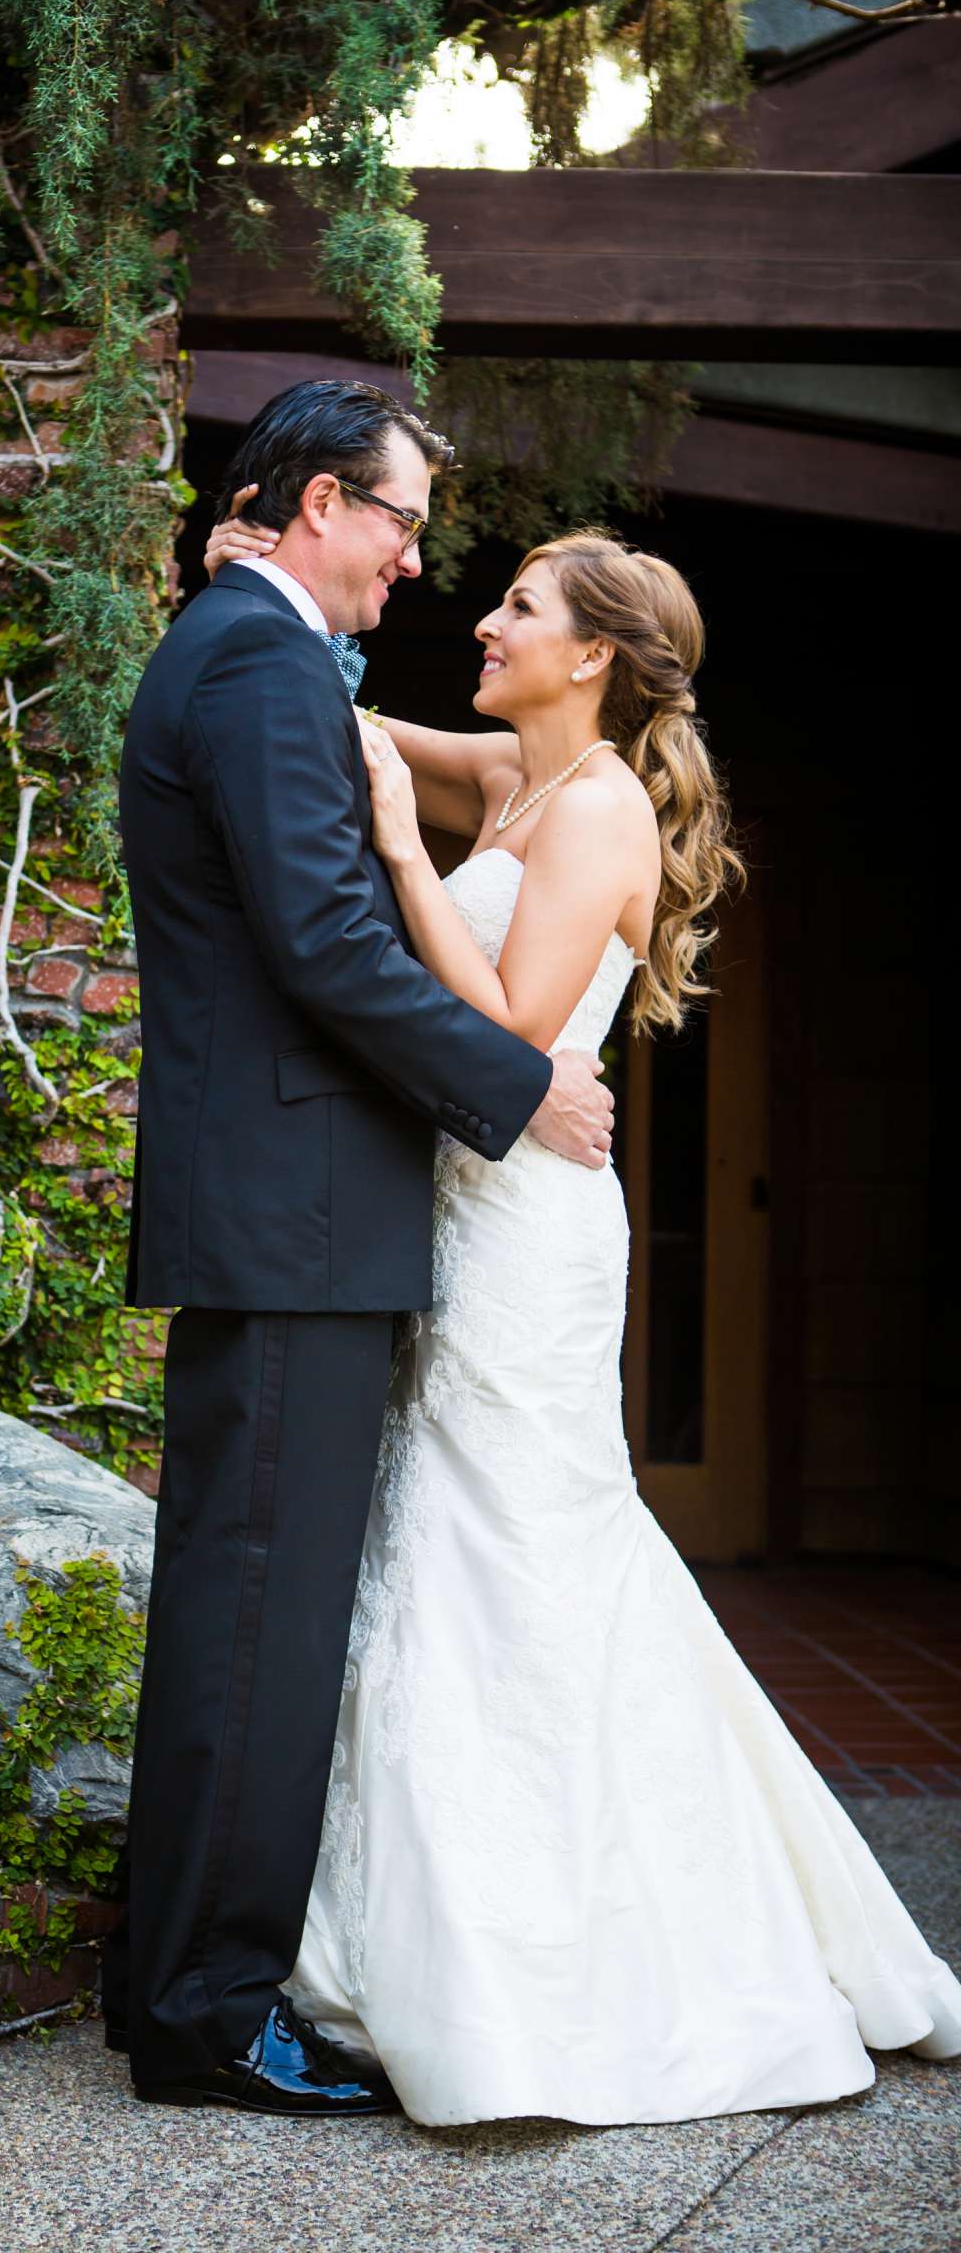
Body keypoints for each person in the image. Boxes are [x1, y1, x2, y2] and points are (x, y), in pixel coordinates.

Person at [193, 492, 961, 2124]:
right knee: (441, 1544)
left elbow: (517, 1029)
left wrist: (402, 850)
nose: (481, 621)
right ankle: (402, 1913)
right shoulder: (515, 768)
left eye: (518, 608)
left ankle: (585, 1944)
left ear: (592, 655)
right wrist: (258, 579)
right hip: (457, 1209)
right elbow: (335, 699)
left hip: (529, 1228)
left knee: (529, 1547)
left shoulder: (599, 806)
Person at [105, 379, 616, 2114]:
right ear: (320, 503)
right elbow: (325, 942)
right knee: (261, 1623)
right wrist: (516, 1083)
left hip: (285, 1208)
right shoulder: (251, 661)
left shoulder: (251, 643)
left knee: (241, 1610)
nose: (416, 559)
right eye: (400, 521)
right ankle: (209, 2014)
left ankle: (167, 1988)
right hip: (295, 1210)